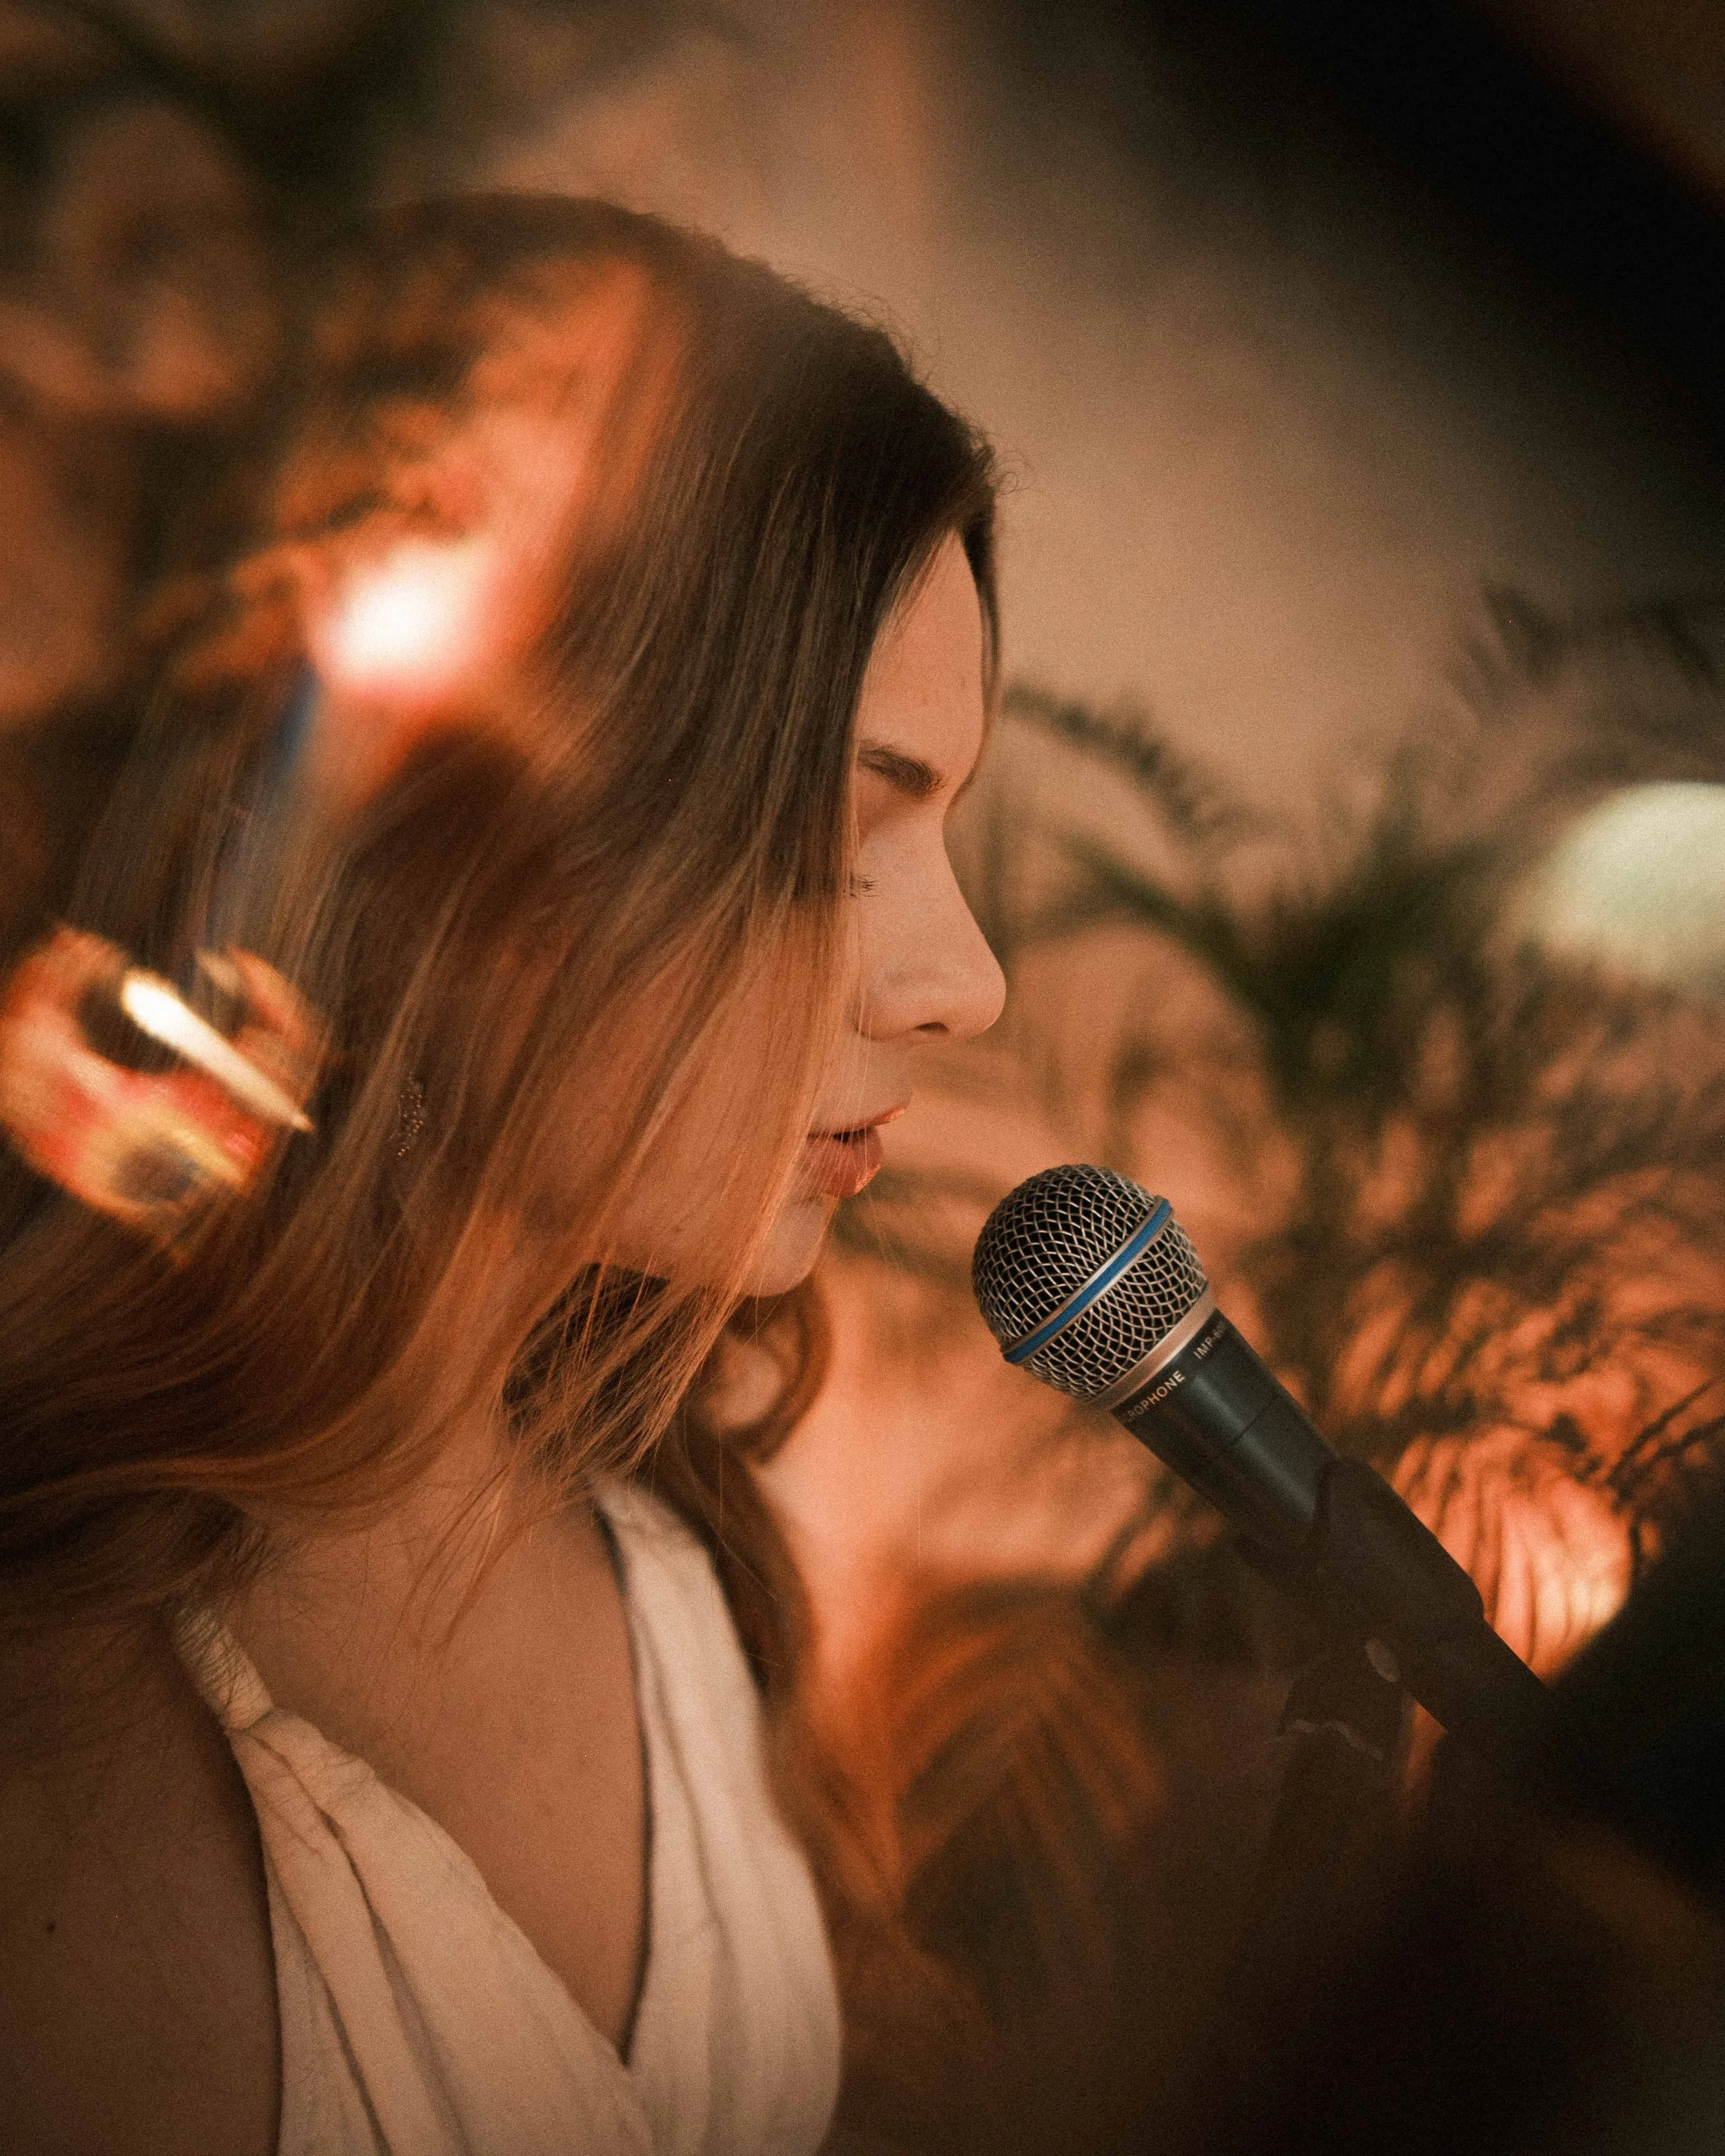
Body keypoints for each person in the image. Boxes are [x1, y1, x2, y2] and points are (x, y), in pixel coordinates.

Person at [0, 193, 1005, 2156]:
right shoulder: (63, 1750)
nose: (963, 983)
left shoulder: (682, 1555)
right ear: (460, 833)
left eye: (949, 833)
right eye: (848, 828)